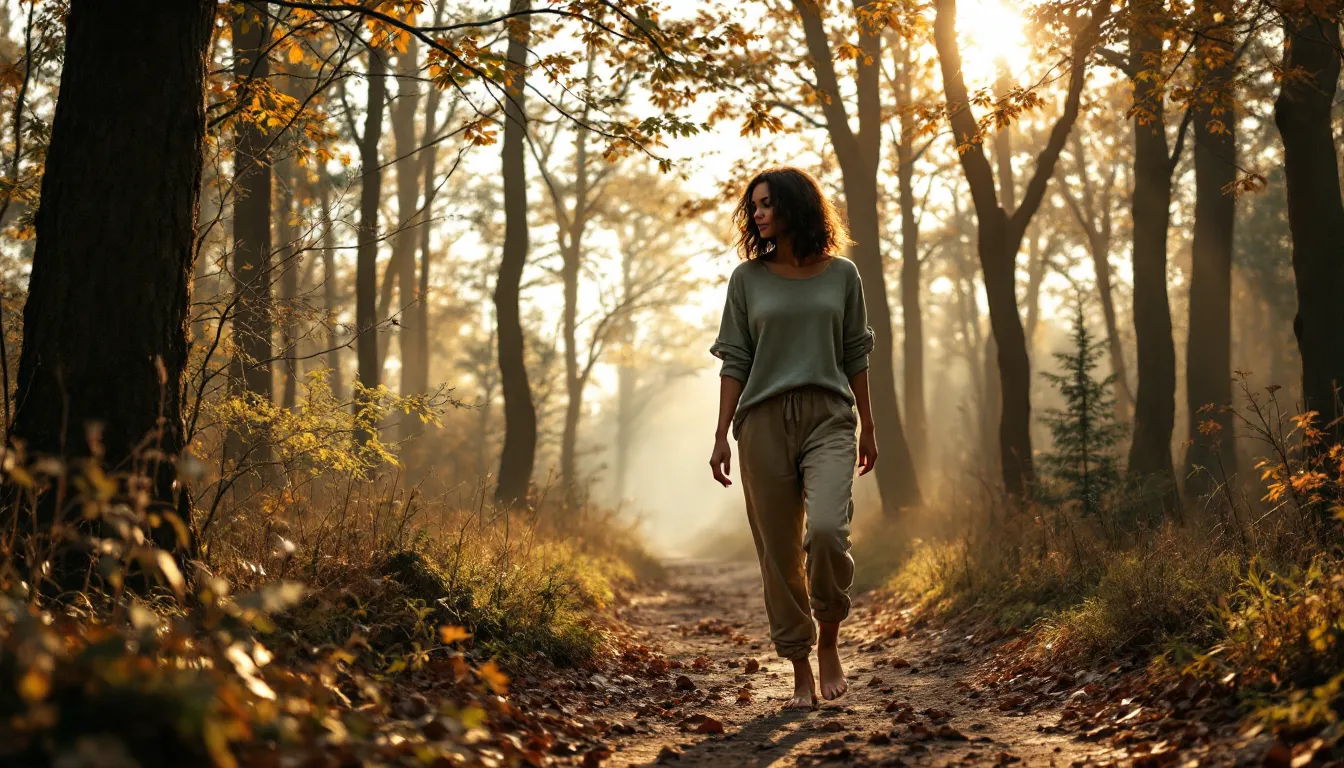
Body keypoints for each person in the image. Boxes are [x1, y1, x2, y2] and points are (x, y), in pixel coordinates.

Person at [709, 166, 878, 710]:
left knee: (827, 531)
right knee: (779, 555)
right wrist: (719, 436)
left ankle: (829, 639)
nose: (756, 214)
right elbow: (735, 359)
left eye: (765, 204)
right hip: (761, 422)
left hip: (829, 414)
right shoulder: (746, 280)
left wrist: (869, 425)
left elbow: (855, 351)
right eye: (752, 206)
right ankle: (800, 666)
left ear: (793, 206)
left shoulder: (843, 275)